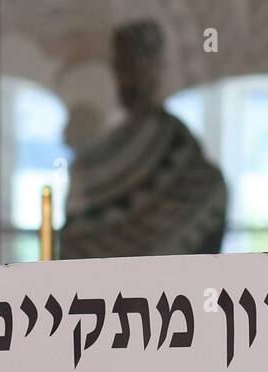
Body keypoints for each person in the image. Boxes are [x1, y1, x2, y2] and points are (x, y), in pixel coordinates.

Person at [61, 19, 228, 259]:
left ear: (152, 67)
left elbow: (209, 188)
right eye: (119, 67)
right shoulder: (104, 152)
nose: (124, 79)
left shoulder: (174, 136)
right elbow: (78, 226)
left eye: (130, 66)